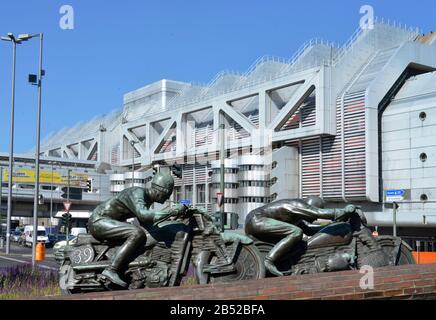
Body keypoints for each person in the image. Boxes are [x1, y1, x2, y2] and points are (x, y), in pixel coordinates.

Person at [88, 171, 187, 287]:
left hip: (107, 222)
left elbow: (147, 223)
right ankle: (111, 269)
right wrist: (171, 211)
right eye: (167, 194)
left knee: (144, 234)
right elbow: (143, 215)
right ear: (160, 191)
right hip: (99, 221)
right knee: (136, 233)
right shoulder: (137, 193)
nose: (168, 197)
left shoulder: (146, 200)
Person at [244, 196, 356, 276]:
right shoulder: (298, 204)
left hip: (256, 222)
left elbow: (310, 231)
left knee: (296, 237)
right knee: (296, 232)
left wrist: (334, 226)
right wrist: (343, 211)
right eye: (312, 212)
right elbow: (317, 213)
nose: (314, 219)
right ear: (309, 207)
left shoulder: (297, 217)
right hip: (256, 220)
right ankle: (269, 260)